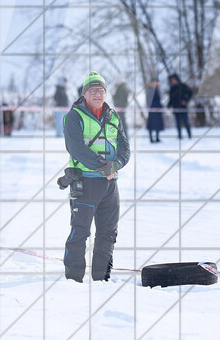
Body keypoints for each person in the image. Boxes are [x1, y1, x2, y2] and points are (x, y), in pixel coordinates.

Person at [62, 71, 131, 283]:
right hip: (86, 182)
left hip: (110, 186)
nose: (98, 94)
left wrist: (116, 165)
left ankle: (102, 279)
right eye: (93, 90)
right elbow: (76, 149)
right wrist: (105, 168)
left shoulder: (113, 116)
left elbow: (125, 149)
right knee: (80, 232)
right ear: (85, 94)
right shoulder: (74, 116)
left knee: (108, 234)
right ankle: (73, 281)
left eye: (101, 90)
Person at [167, 73, 193, 139]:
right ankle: (179, 136)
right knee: (178, 123)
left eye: (173, 79)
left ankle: (189, 135)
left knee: (185, 121)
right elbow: (171, 99)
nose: (173, 81)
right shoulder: (172, 88)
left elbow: (190, 93)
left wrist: (185, 100)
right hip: (175, 108)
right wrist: (168, 105)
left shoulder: (183, 86)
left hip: (183, 108)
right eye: (171, 80)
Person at [146, 76, 164, 143]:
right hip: (153, 110)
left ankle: (157, 138)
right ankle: (151, 139)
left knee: (157, 125)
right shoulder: (151, 90)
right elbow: (150, 101)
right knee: (152, 125)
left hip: (157, 110)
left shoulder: (156, 90)